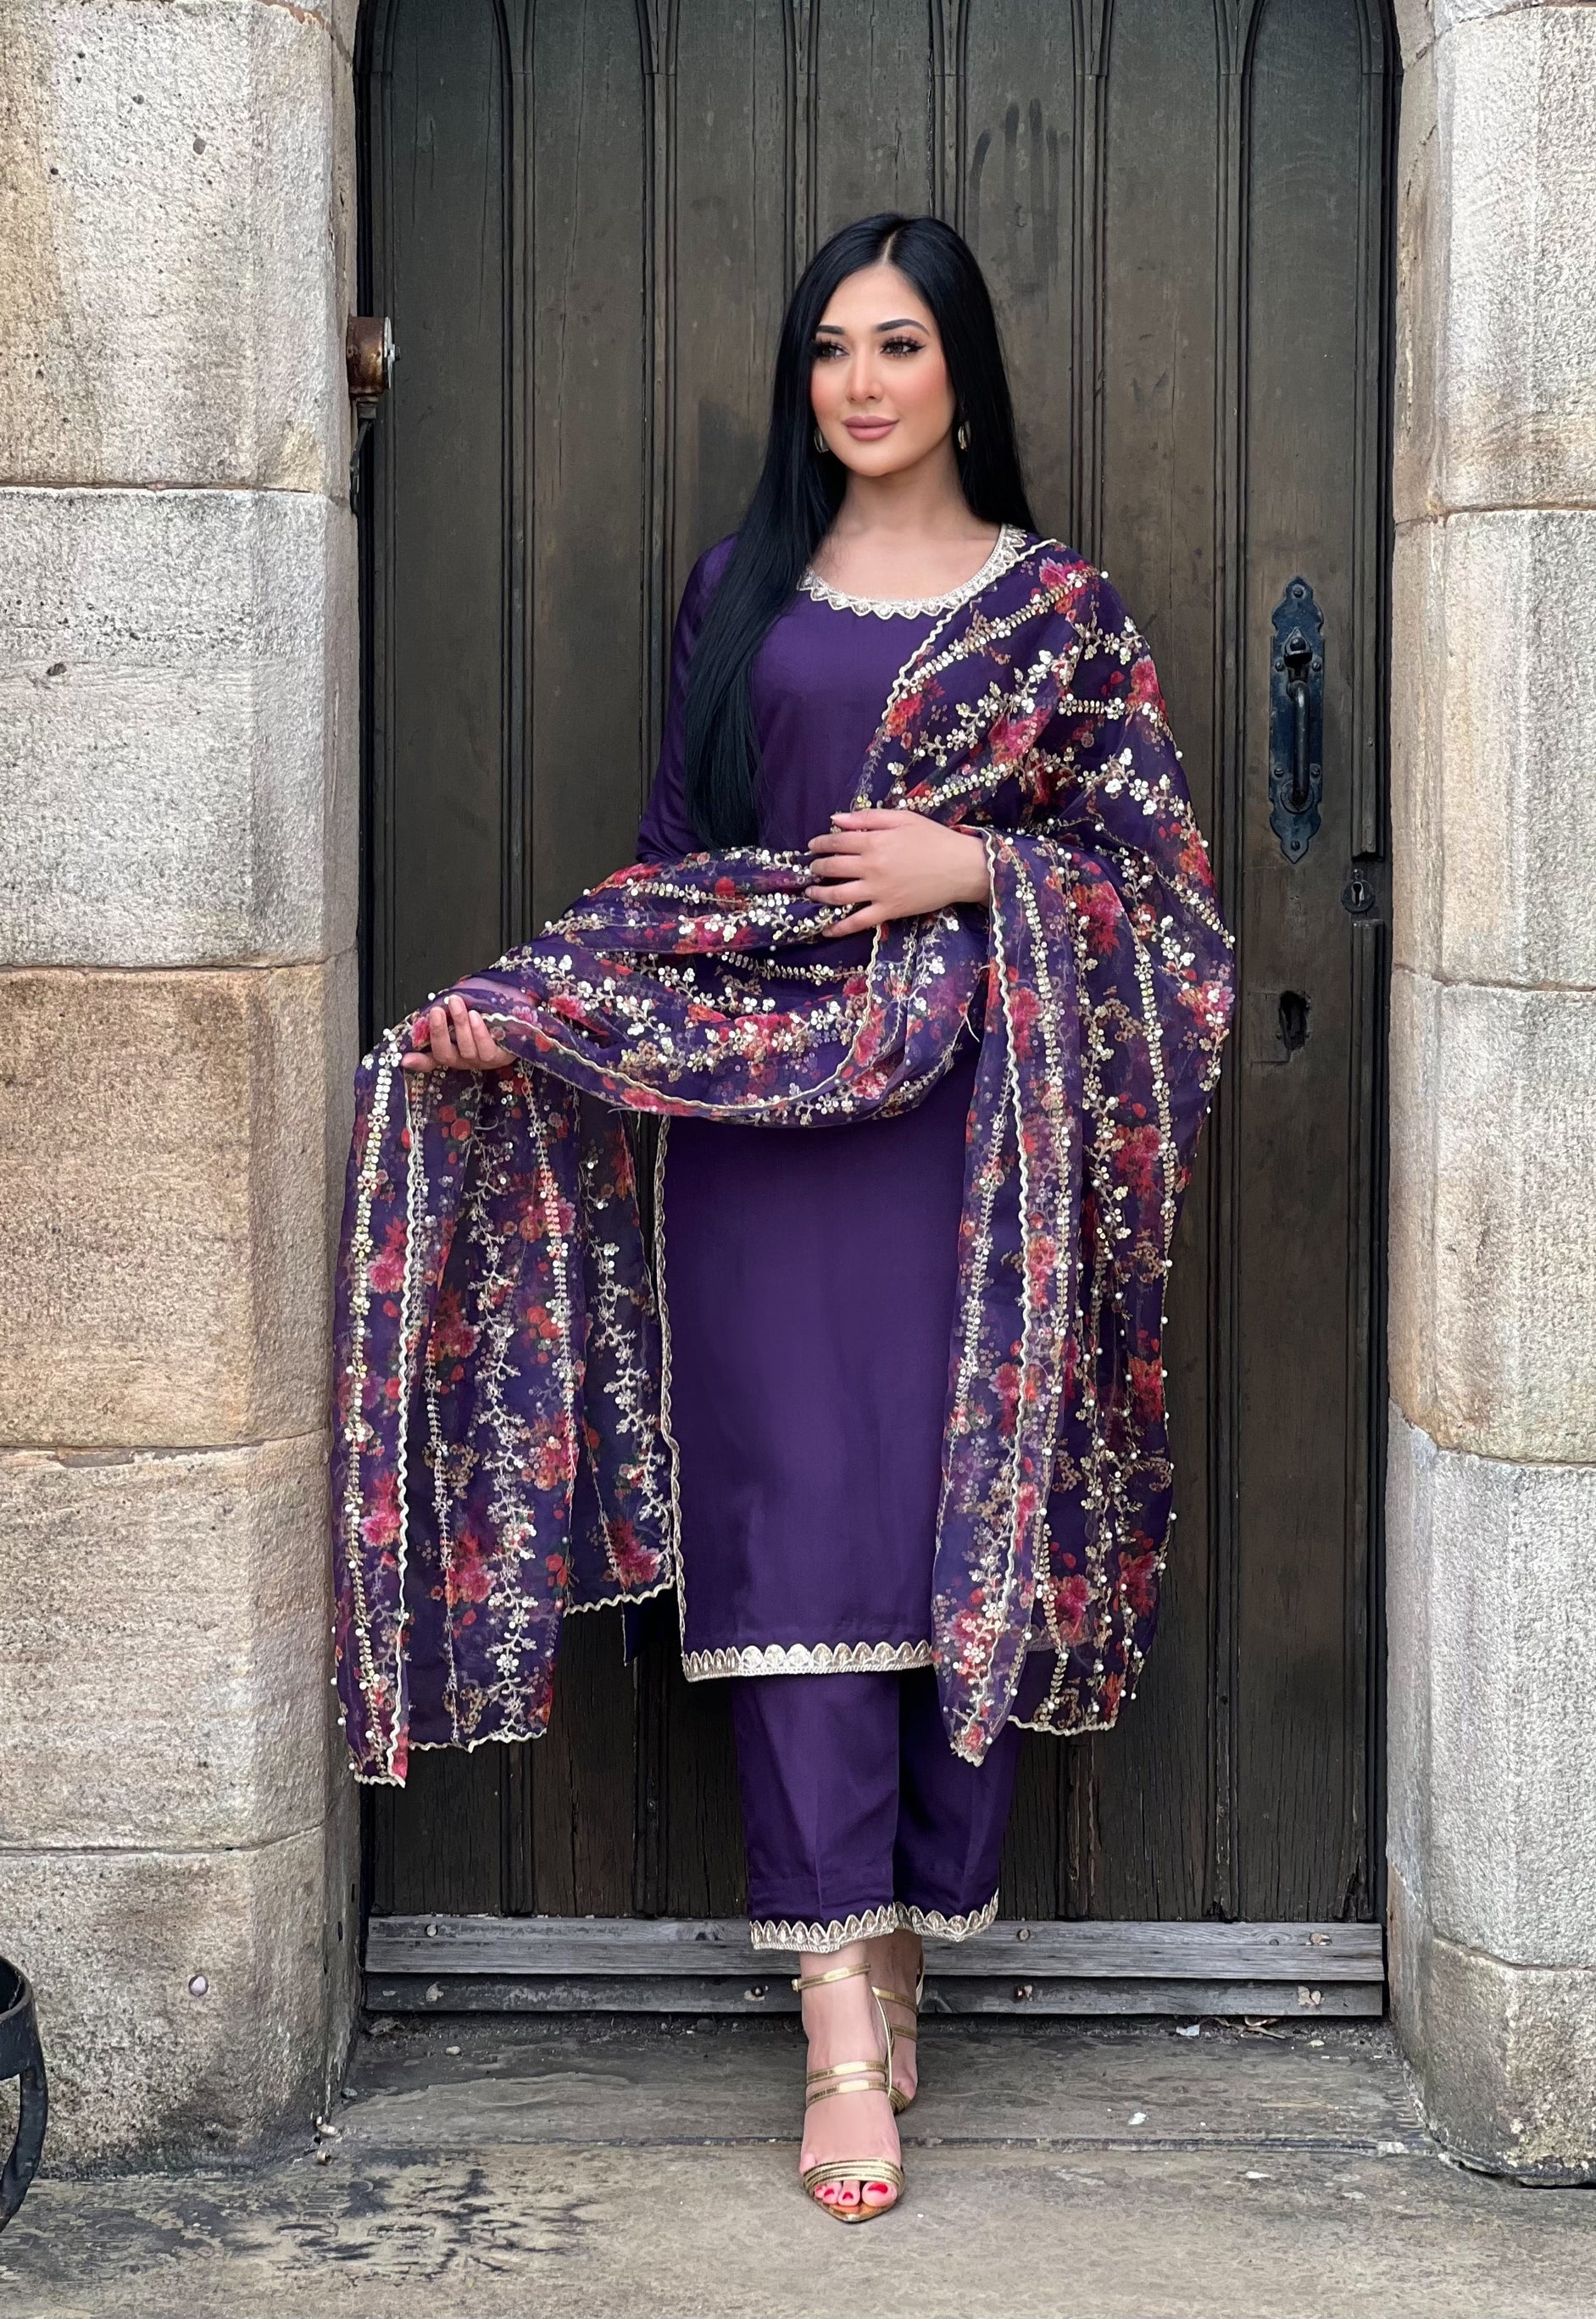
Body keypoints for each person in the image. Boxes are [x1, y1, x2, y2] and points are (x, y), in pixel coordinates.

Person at [348, 212, 1231, 2227]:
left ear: (961, 372)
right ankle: (836, 2018)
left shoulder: (1060, 614)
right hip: (759, 1139)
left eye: (897, 344)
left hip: (972, 1157)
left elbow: (1167, 905)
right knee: (796, 1539)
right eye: (830, 347)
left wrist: (978, 872)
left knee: (944, 1524)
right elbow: (684, 864)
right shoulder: (737, 591)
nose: (858, 381)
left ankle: (906, 1934)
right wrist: (535, 1010)